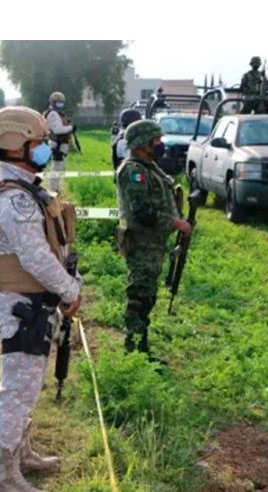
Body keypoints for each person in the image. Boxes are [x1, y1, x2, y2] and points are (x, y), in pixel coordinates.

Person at [0, 106, 82, 492]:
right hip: (21, 308)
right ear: (17, 146)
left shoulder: (22, 188)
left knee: (27, 387)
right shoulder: (13, 200)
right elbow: (35, 257)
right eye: (37, 143)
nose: (43, 149)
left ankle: (23, 453)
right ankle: (4, 476)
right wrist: (70, 291)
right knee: (16, 392)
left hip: (30, 303)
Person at [115, 120, 192, 363]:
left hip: (153, 243)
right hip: (142, 242)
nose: (160, 145)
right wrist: (175, 223)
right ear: (143, 143)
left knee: (147, 294)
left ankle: (140, 346)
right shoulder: (134, 171)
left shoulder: (150, 167)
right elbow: (142, 213)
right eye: (155, 141)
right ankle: (135, 351)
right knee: (140, 296)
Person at [43, 91, 74, 192]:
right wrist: (70, 128)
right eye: (58, 102)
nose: (61, 104)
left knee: (60, 168)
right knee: (56, 168)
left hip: (61, 144)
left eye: (62, 102)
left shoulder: (57, 113)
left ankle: (56, 189)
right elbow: (58, 130)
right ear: (53, 102)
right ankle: (53, 190)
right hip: (57, 145)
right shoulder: (53, 114)